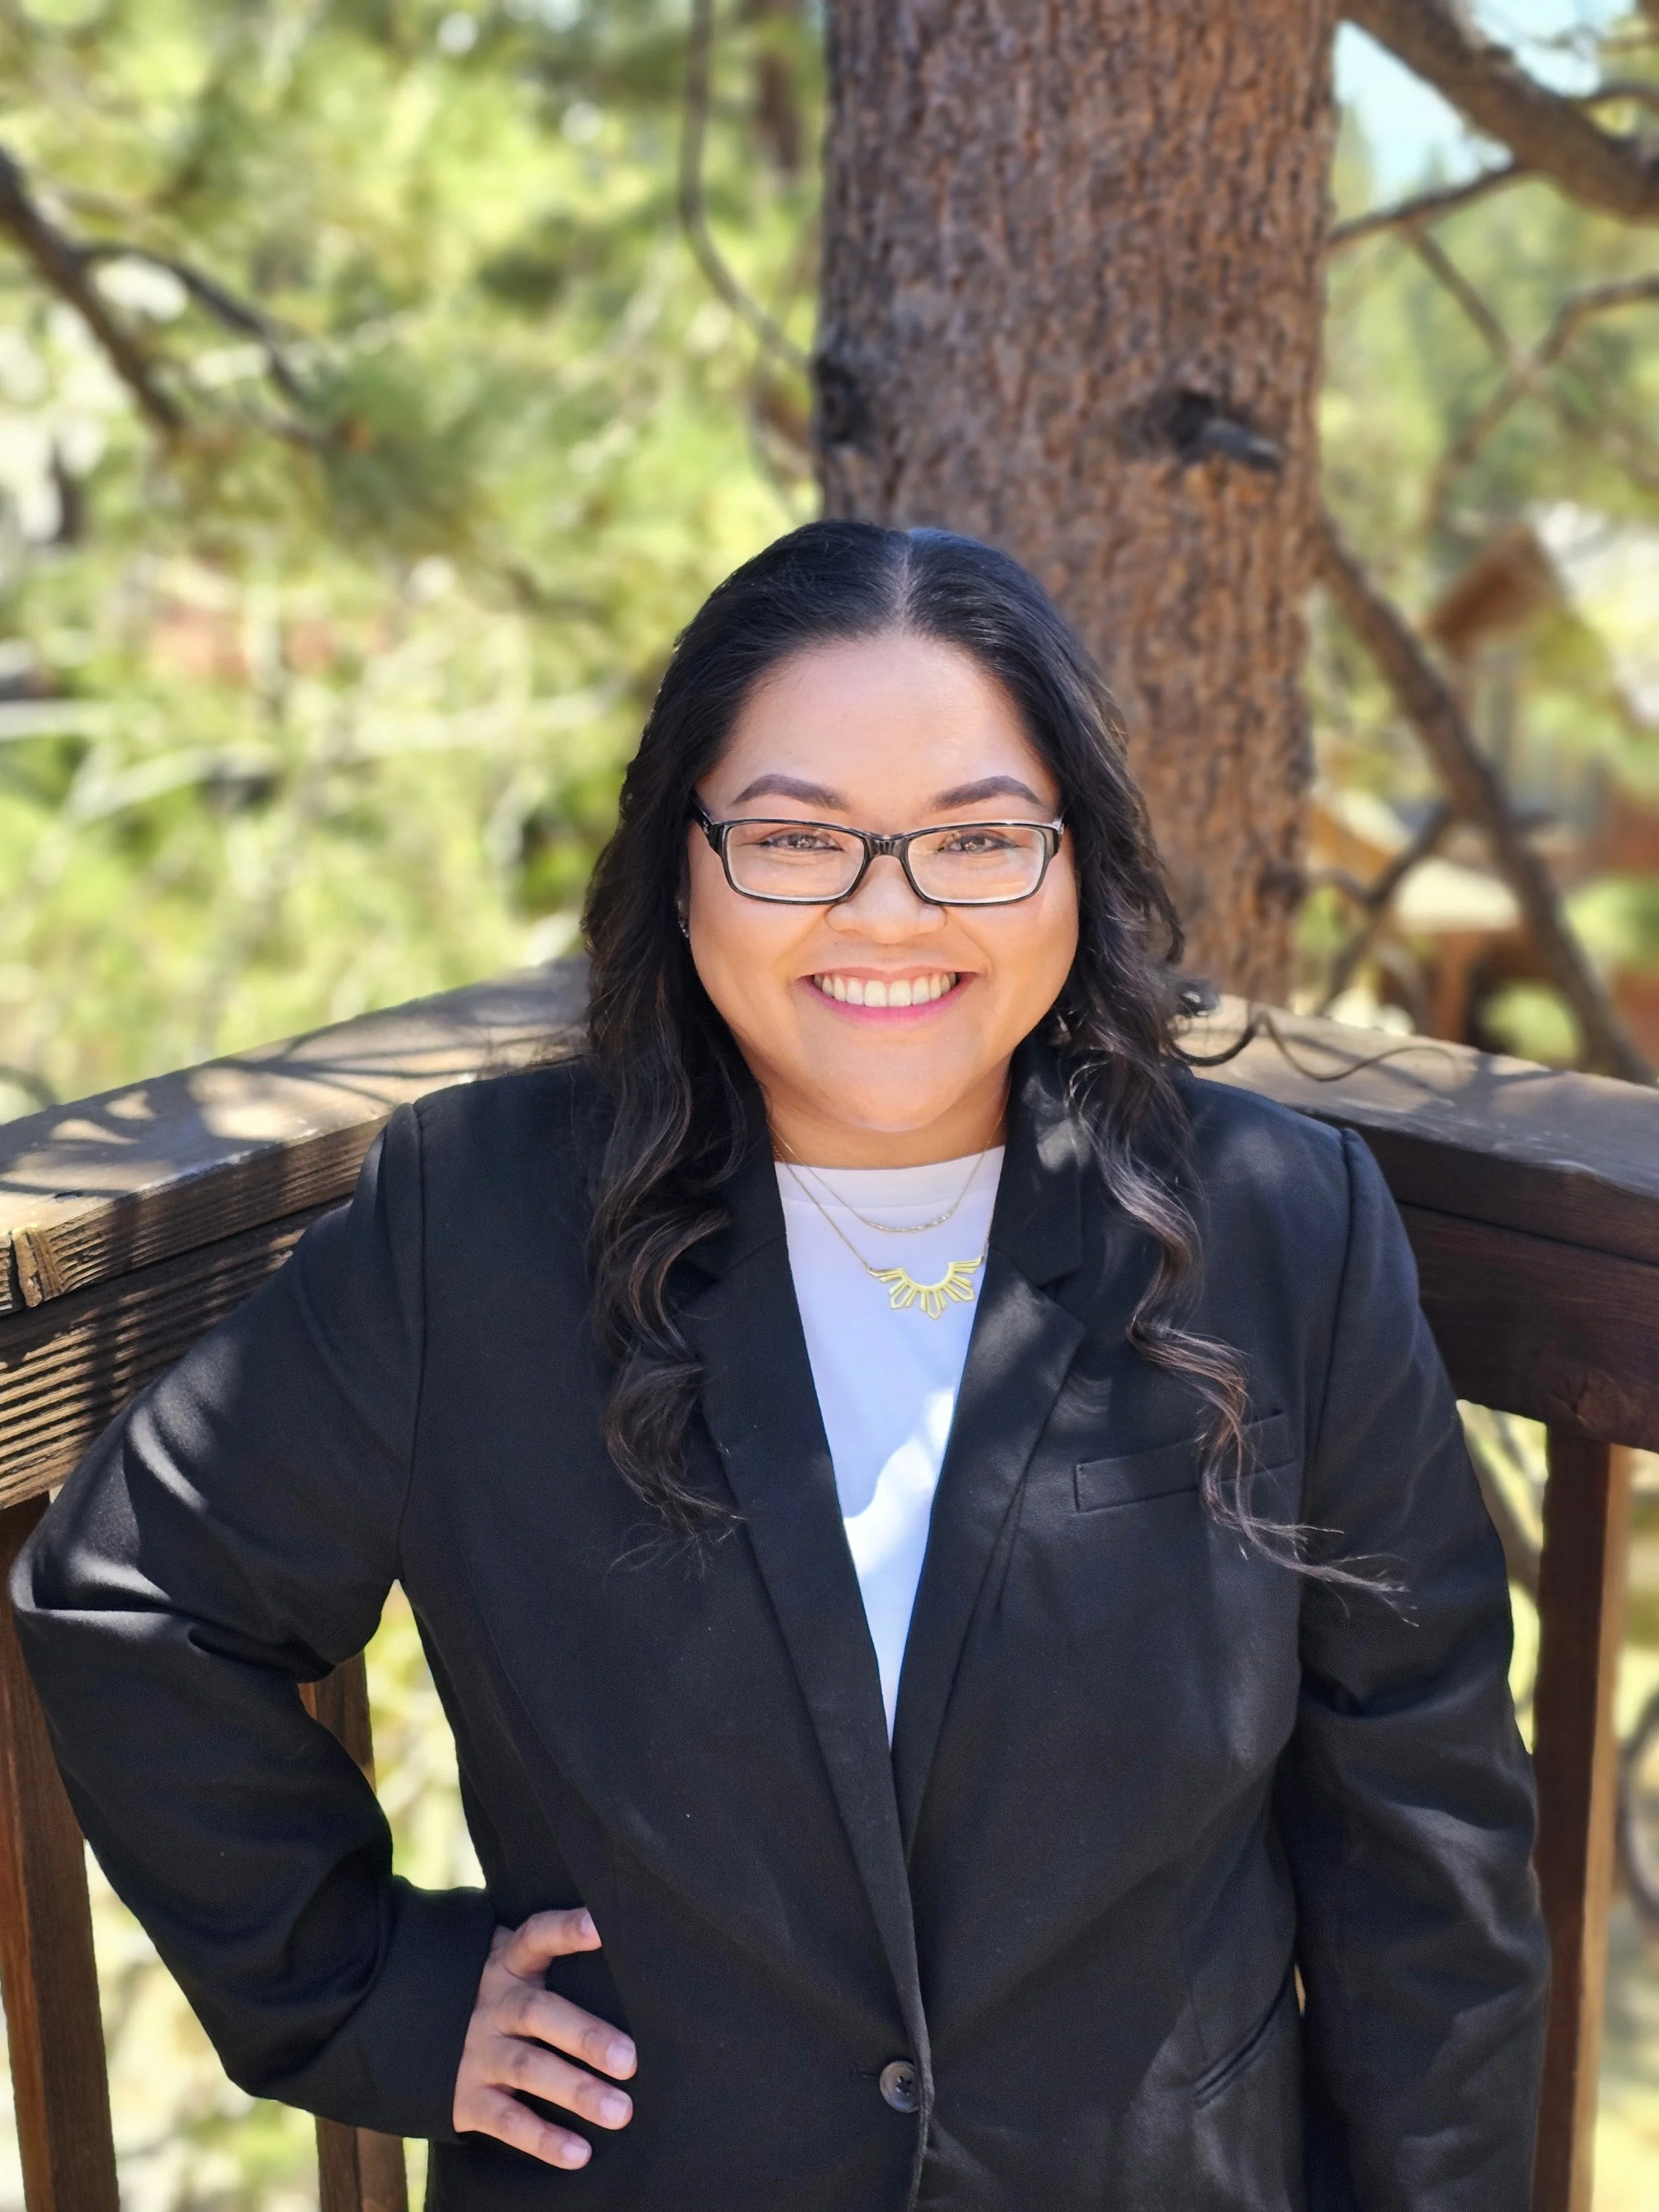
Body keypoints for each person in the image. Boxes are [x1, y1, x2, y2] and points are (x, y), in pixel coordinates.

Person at [12, 521, 1546, 2210]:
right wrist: (377, 1992)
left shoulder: (1275, 1224)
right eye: (796, 837)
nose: (887, 909)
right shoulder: (479, 1222)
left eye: (976, 838)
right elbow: (135, 1599)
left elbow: (1426, 1840)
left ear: (1074, 864)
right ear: (682, 864)